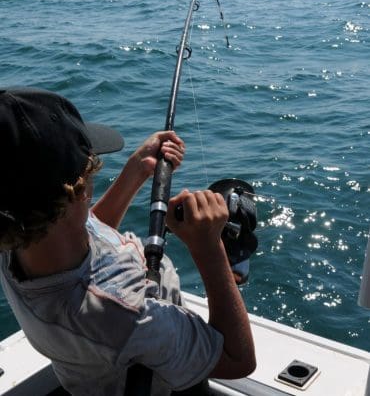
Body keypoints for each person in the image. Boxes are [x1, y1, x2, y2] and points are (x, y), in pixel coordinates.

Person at [0, 87, 256, 395]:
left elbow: (87, 229)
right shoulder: (122, 315)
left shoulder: (17, 234)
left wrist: (135, 171)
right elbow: (237, 360)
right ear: (79, 191)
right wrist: (208, 247)